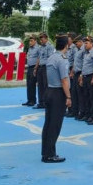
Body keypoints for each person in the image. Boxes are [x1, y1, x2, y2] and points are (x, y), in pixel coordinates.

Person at [41, 34, 72, 163]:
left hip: (49, 91)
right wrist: (68, 96)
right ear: (66, 45)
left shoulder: (51, 57)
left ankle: (46, 152)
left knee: (48, 124)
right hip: (58, 93)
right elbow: (64, 79)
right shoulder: (62, 59)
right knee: (55, 125)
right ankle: (50, 155)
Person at [34, 33, 53, 109]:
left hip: (46, 67)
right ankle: (41, 102)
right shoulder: (40, 47)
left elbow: (50, 58)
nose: (41, 41)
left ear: (46, 38)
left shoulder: (50, 47)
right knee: (40, 85)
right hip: (40, 67)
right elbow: (39, 58)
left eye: (42, 39)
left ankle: (46, 102)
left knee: (46, 85)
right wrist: (36, 68)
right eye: (40, 39)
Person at [22, 35, 39, 106]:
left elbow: (39, 58)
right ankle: (29, 100)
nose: (30, 42)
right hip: (29, 67)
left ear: (35, 41)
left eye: (31, 41)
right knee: (28, 84)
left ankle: (33, 100)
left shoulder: (38, 48)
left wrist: (35, 68)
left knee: (32, 84)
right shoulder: (30, 48)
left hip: (34, 67)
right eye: (29, 41)